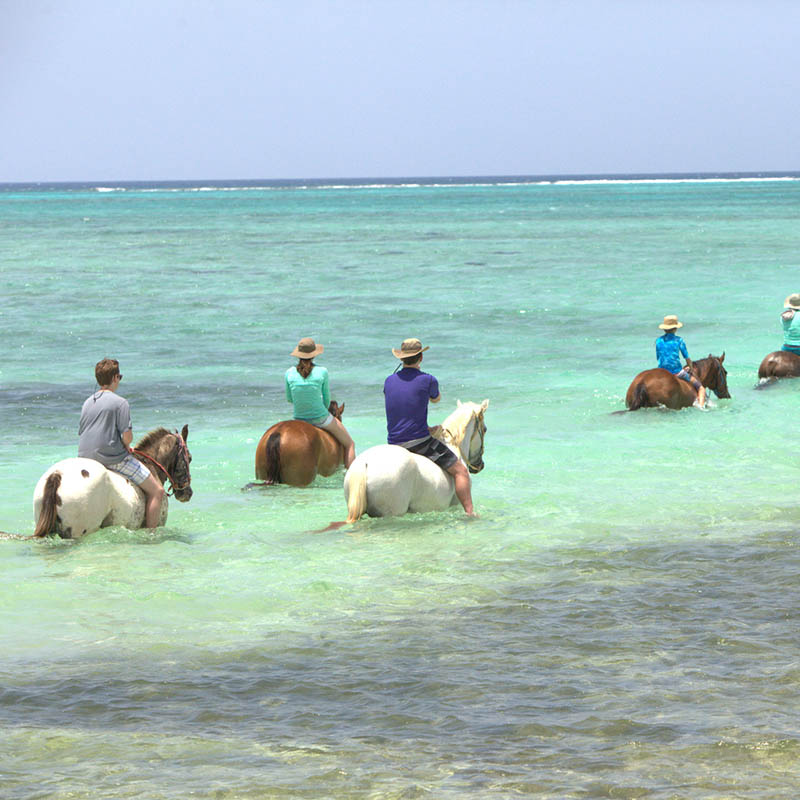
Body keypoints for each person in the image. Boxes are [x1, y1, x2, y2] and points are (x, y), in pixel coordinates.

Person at [383, 337, 476, 517]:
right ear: (421, 358)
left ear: (401, 358)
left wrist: (424, 426)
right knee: (461, 471)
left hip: (393, 443)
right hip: (419, 443)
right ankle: (470, 513)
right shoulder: (428, 380)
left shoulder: (388, 381)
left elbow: (403, 408)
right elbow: (436, 399)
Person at [78, 358, 165, 528]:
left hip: (84, 457)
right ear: (115, 378)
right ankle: (151, 536)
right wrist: (126, 446)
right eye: (120, 377)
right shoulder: (120, 403)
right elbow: (128, 437)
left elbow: (84, 431)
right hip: (111, 458)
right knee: (158, 491)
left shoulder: (87, 402)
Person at [285, 337, 356, 468]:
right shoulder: (322, 371)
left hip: (298, 419)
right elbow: (327, 399)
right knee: (350, 444)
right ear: (313, 355)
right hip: (320, 418)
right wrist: (321, 412)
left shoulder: (289, 373)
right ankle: (351, 476)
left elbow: (290, 399)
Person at [655, 315, 707, 407]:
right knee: (701, 388)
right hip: (677, 372)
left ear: (664, 329)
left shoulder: (658, 341)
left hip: (661, 371)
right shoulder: (679, 340)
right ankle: (702, 407)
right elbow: (686, 357)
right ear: (675, 329)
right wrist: (690, 367)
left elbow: (658, 357)